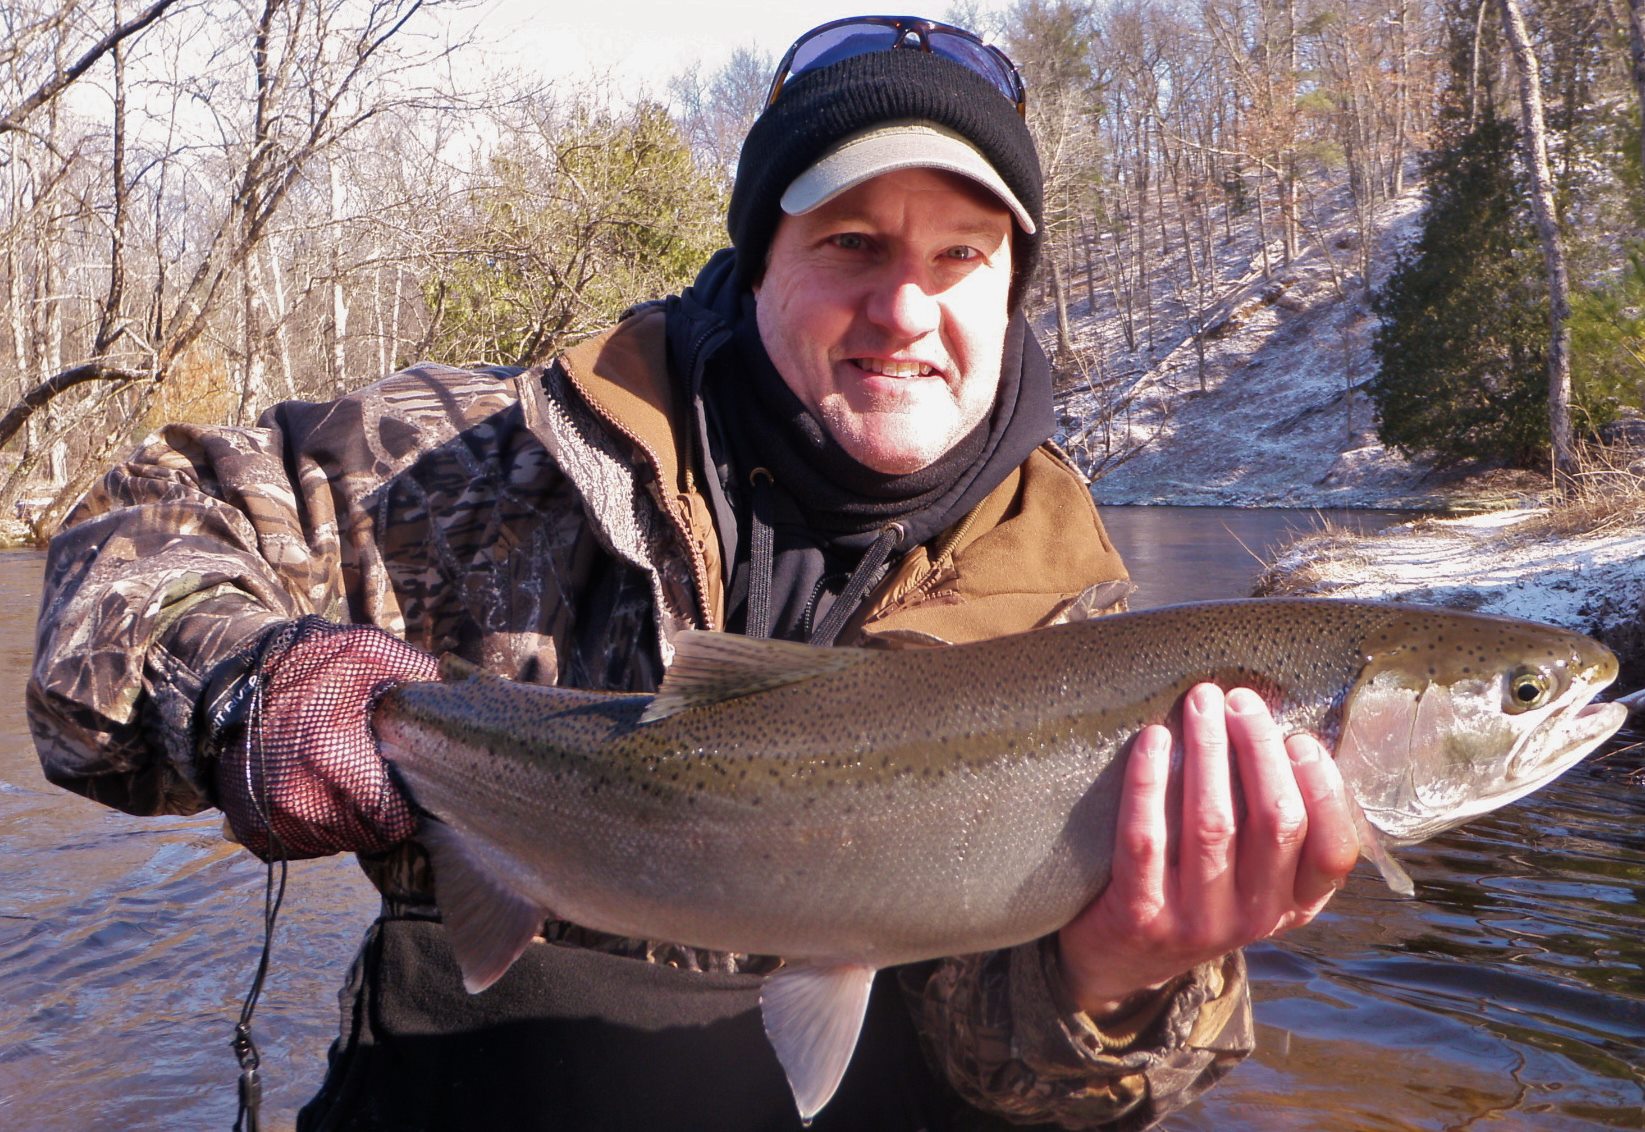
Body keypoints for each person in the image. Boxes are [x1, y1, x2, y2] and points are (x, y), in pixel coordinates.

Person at [27, 14, 1359, 1131]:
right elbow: (137, 530)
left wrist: (1119, 978)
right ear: (759, 262)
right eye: (852, 245)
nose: (905, 309)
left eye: (960, 258)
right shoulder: (477, 464)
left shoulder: (1080, 626)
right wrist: (251, 685)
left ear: (1009, 290)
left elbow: (1038, 1092)